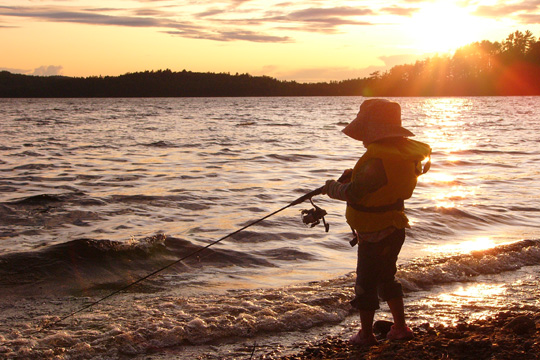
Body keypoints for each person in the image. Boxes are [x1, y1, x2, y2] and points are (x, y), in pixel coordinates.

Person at [321, 99, 431, 346]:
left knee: (365, 284)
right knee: (387, 277)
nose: (362, 139)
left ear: (372, 132)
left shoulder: (376, 159)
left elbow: (354, 193)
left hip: (374, 233)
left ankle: (366, 335)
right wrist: (354, 177)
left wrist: (332, 188)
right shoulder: (402, 154)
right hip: (396, 226)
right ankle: (400, 328)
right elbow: (378, 183)